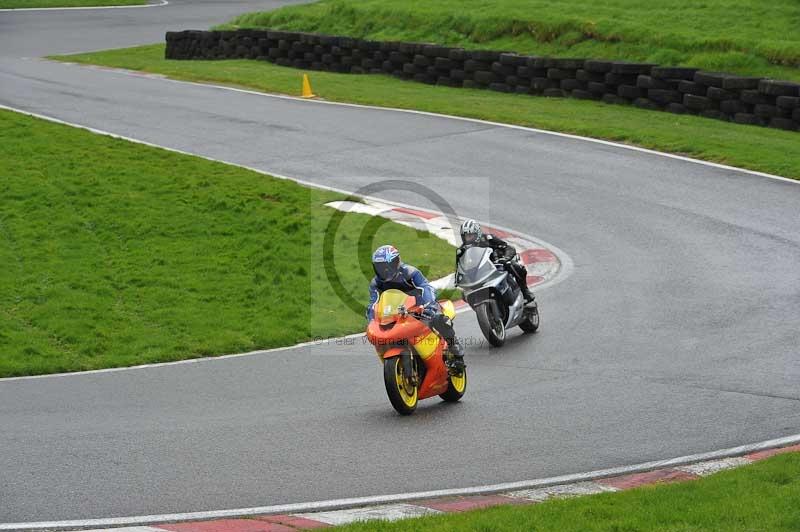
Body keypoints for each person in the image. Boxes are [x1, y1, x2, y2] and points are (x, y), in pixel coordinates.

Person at [367, 245, 465, 371]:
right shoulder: (376, 283)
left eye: (386, 267)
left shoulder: (410, 273)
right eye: (379, 268)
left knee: (439, 318)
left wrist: (429, 306)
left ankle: (453, 345)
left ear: (395, 262)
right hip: (396, 314)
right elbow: (373, 303)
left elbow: (426, 288)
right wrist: (371, 319)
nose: (384, 271)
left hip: (419, 308)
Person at [457, 219, 536, 304]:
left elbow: (509, 248)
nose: (469, 239)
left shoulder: (488, 238)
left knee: (514, 266)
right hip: (480, 272)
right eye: (466, 236)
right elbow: (460, 266)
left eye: (471, 235)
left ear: (478, 234)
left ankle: (525, 291)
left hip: (497, 265)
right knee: (464, 292)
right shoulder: (462, 250)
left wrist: (504, 258)